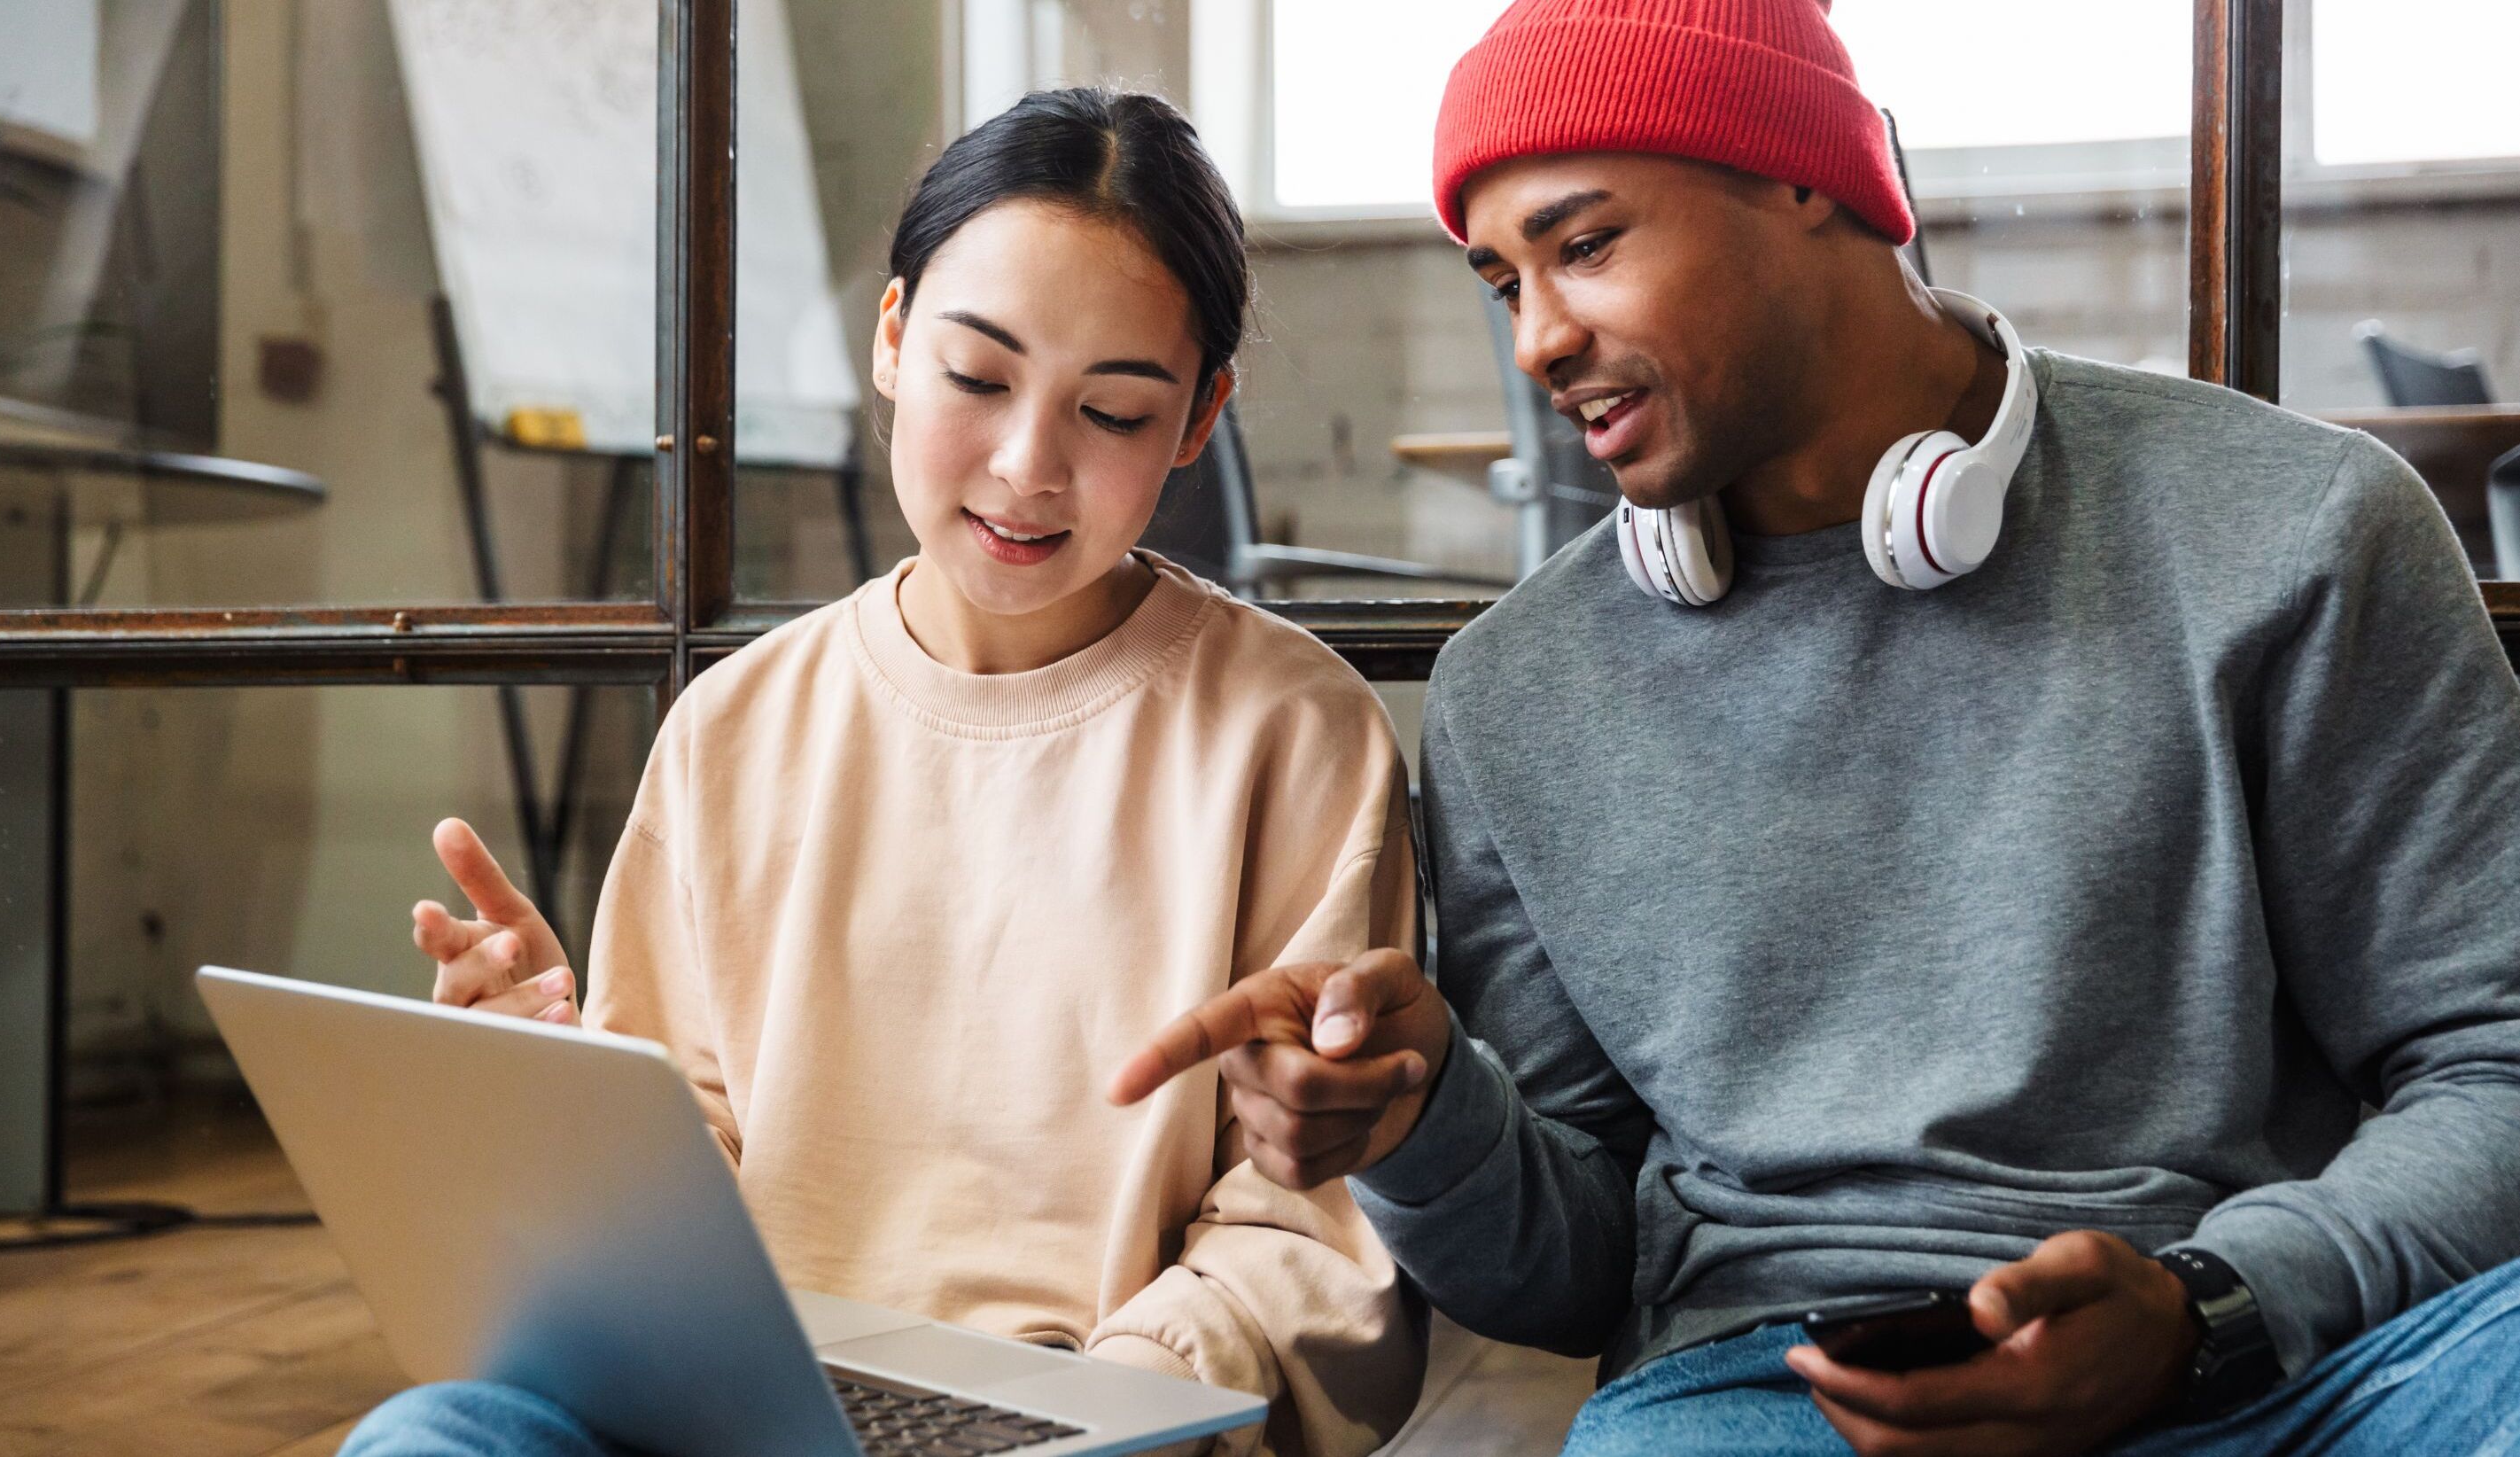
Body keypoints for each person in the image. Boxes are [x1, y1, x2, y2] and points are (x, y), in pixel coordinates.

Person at [1111, 2, 2520, 1454]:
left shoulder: (2293, 531)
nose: (1537, 337)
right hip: (1778, 1395)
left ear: (1804, 179)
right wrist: (1419, 1127)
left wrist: (2212, 1308)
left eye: (1583, 245)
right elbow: (1573, 1265)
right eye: (1501, 281)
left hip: (2282, 1358)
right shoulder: (1517, 691)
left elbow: (2498, 1063)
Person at [343, 88, 1426, 1457]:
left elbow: (1304, 1235)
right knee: (432, 1436)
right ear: (895, 339)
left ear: (1200, 416)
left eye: (1111, 411)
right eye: (977, 379)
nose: (1028, 467)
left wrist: (1104, 1411)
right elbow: (682, 1208)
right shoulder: (736, 721)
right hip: (742, 1406)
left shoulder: (1292, 730)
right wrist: (544, 1100)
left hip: (1099, 1415)